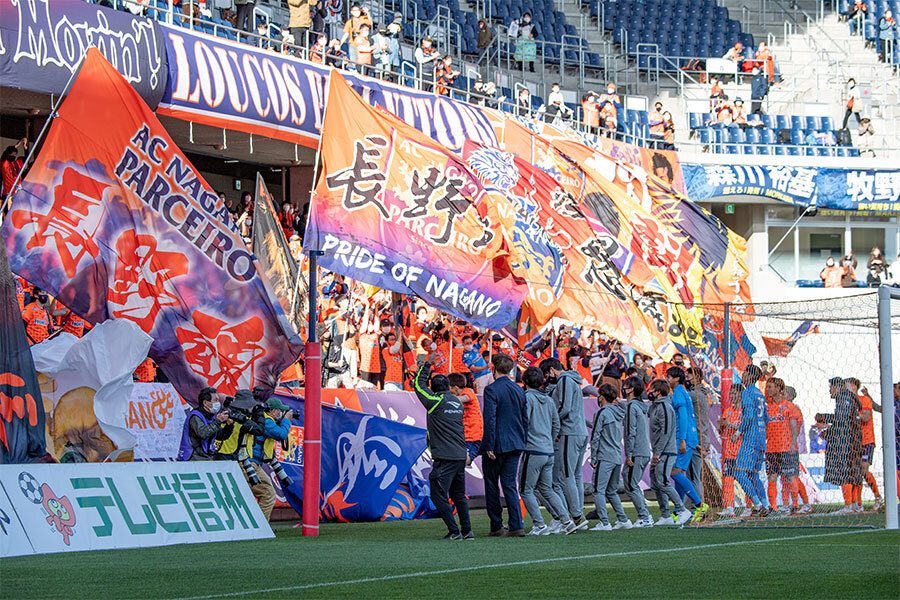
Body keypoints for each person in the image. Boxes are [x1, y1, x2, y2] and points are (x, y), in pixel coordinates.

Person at [414, 358, 472, 540]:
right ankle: (467, 531)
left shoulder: (435, 401)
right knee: (459, 495)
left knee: (437, 494)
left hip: (445, 456)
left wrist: (426, 365)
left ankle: (454, 531)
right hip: (460, 454)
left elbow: (418, 385)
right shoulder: (457, 403)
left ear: (434, 388)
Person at [519, 367, 575, 535]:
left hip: (533, 450)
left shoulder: (527, 398)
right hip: (548, 450)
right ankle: (567, 520)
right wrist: (549, 440)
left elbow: (524, 422)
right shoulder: (548, 399)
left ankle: (539, 525)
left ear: (525, 381)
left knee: (526, 490)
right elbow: (556, 423)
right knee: (547, 489)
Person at [481, 354, 528, 537]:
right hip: (516, 442)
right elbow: (525, 417)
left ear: (494, 368)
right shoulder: (518, 389)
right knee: (509, 484)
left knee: (492, 484)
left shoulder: (491, 390)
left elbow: (490, 419)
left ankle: (496, 525)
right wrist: (522, 439)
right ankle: (516, 525)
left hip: (499, 443)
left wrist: (489, 445)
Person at [541, 357, 590, 532]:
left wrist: (553, 422)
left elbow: (565, 408)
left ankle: (576, 516)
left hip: (570, 431)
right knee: (575, 475)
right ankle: (579, 513)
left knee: (566, 476)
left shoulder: (565, 380)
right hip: (580, 432)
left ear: (552, 370)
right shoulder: (573, 379)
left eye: (547, 373)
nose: (548, 377)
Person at [647, 379, 692, 525]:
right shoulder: (656, 406)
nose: (650, 392)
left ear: (658, 391)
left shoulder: (665, 407)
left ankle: (682, 509)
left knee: (663, 481)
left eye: (652, 389)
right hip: (659, 450)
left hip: (666, 451)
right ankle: (665, 514)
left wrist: (658, 452)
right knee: (656, 483)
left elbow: (666, 432)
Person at [815, 377, 863, 513]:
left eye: (831, 387)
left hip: (847, 442)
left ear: (837, 387)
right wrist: (829, 431)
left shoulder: (844, 398)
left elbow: (842, 419)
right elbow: (845, 420)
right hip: (853, 440)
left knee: (845, 471)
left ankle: (848, 505)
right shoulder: (849, 398)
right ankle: (853, 504)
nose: (830, 390)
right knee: (852, 471)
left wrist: (825, 417)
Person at [666, 366, 707, 522]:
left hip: (683, 437)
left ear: (676, 378)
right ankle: (678, 511)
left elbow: (683, 417)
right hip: (689, 436)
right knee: (680, 473)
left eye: (669, 377)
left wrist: (683, 440)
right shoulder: (682, 392)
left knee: (674, 471)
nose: (667, 379)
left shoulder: (678, 393)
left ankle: (699, 504)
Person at [588, 383, 630, 531]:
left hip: (605, 456)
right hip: (617, 455)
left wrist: (593, 458)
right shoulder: (619, 413)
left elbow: (596, 436)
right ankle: (623, 519)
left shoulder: (602, 413)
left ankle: (604, 522)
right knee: (611, 491)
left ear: (602, 396)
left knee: (599, 490)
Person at [249, 397, 294, 520]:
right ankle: (260, 528)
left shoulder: (263, 419)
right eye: (280, 410)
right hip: (250, 464)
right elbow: (281, 434)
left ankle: (259, 527)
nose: (281, 413)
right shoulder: (266, 421)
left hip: (252, 463)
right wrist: (286, 421)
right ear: (273, 411)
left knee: (264, 493)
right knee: (268, 494)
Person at [734, 365, 770, 516]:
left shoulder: (747, 392)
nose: (742, 375)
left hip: (750, 439)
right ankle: (767, 505)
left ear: (749, 375)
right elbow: (766, 419)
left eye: (744, 373)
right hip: (761, 439)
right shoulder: (760, 394)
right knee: (754, 474)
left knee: (740, 473)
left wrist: (738, 431)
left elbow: (748, 416)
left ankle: (758, 504)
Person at [845, 378, 882, 511]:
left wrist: (852, 415)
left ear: (854, 387)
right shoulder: (846, 403)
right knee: (855, 472)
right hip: (853, 442)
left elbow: (865, 417)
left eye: (847, 385)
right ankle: (857, 504)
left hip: (866, 441)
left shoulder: (864, 399)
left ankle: (878, 497)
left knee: (863, 471)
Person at [621, 376, 653, 527]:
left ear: (632, 389)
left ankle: (645, 516)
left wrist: (629, 453)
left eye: (626, 386)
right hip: (642, 450)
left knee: (632, 484)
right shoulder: (639, 406)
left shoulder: (632, 407)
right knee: (628, 479)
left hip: (637, 451)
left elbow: (630, 431)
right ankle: (644, 514)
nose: (624, 388)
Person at [763, 377, 799, 513]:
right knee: (771, 477)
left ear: (779, 389)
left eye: (771, 387)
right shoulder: (767, 408)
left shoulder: (790, 407)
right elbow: (766, 429)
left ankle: (795, 505)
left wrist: (792, 445)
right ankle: (773, 507)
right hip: (772, 448)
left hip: (786, 448)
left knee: (790, 477)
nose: (768, 389)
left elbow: (794, 429)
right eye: (767, 387)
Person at [178, 387, 229, 461]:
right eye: (215, 400)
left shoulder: (210, 416)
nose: (218, 403)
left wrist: (229, 426)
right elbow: (203, 433)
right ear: (205, 403)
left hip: (205, 455)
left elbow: (219, 436)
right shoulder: (195, 416)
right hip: (193, 456)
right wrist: (218, 421)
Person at [718, 383, 743, 518]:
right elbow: (722, 431)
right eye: (731, 393)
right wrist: (721, 426)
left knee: (745, 479)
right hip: (729, 451)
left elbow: (745, 429)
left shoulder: (744, 411)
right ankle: (729, 507)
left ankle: (751, 507)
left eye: (735, 393)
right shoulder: (727, 411)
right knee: (727, 479)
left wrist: (731, 425)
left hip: (742, 451)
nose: (732, 396)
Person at [448, 373, 483, 466]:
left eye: (449, 389)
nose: (449, 392)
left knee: (463, 461)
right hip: (465, 436)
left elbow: (465, 398)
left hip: (473, 437)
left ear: (455, 387)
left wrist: (448, 399)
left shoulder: (468, 392)